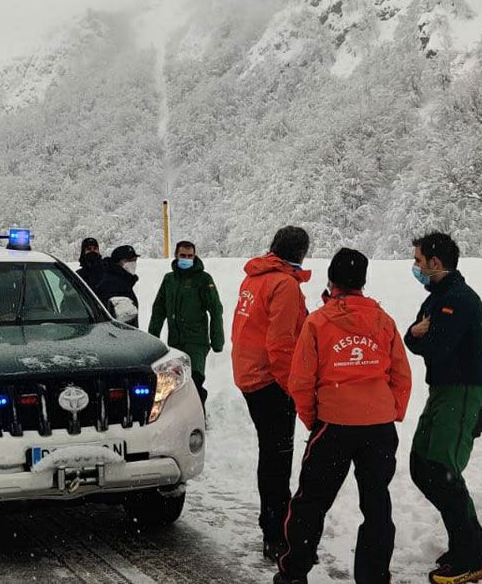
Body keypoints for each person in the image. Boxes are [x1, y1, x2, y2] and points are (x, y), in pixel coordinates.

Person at [275, 248, 412, 584]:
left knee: (310, 504)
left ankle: (294, 573)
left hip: (334, 426)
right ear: (363, 282)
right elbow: (402, 375)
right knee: (377, 505)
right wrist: (388, 410)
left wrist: (314, 420)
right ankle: (374, 577)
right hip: (378, 429)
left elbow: (301, 381)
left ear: (331, 280)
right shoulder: (383, 320)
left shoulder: (318, 322)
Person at [404, 232, 482, 584]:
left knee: (442, 470)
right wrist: (416, 334)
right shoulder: (438, 298)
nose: (416, 266)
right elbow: (415, 340)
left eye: (418, 261)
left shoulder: (458, 299)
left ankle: (471, 557)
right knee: (421, 465)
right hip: (441, 392)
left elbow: (437, 346)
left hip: (464, 394)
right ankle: (472, 540)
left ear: (435, 263)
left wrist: (420, 336)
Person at [231, 225, 311, 561]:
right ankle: (276, 533)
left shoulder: (254, 276)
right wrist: (293, 386)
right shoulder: (284, 285)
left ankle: (274, 525)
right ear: (301, 253)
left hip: (248, 372)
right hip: (270, 380)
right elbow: (280, 344)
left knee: (271, 454)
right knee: (277, 458)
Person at [148, 240, 224, 406]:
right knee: (175, 384)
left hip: (196, 342)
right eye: (183, 255)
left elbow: (216, 309)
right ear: (176, 255)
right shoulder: (169, 280)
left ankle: (199, 419)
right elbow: (158, 309)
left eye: (190, 256)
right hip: (175, 342)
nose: (186, 259)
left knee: (194, 382)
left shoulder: (203, 279)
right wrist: (152, 338)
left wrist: (217, 341)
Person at [95, 245, 140, 327]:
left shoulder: (125, 281)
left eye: (134, 260)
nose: (133, 263)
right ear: (117, 262)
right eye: (128, 260)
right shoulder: (112, 284)